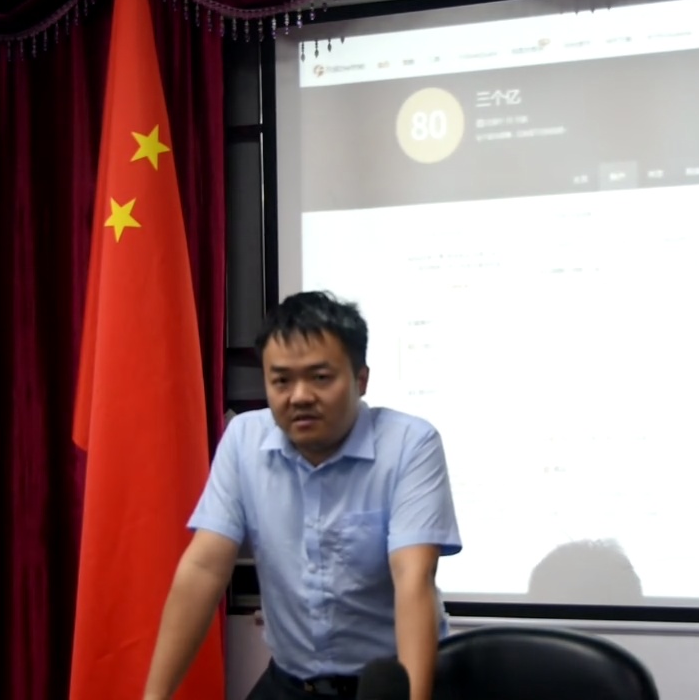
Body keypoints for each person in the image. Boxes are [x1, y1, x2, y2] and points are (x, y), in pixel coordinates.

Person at [142, 291, 462, 700]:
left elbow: (413, 579)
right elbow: (204, 568)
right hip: (289, 684)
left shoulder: (409, 444)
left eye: (320, 377)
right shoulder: (244, 439)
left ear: (361, 380)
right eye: (281, 380)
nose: (299, 396)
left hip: (388, 684)